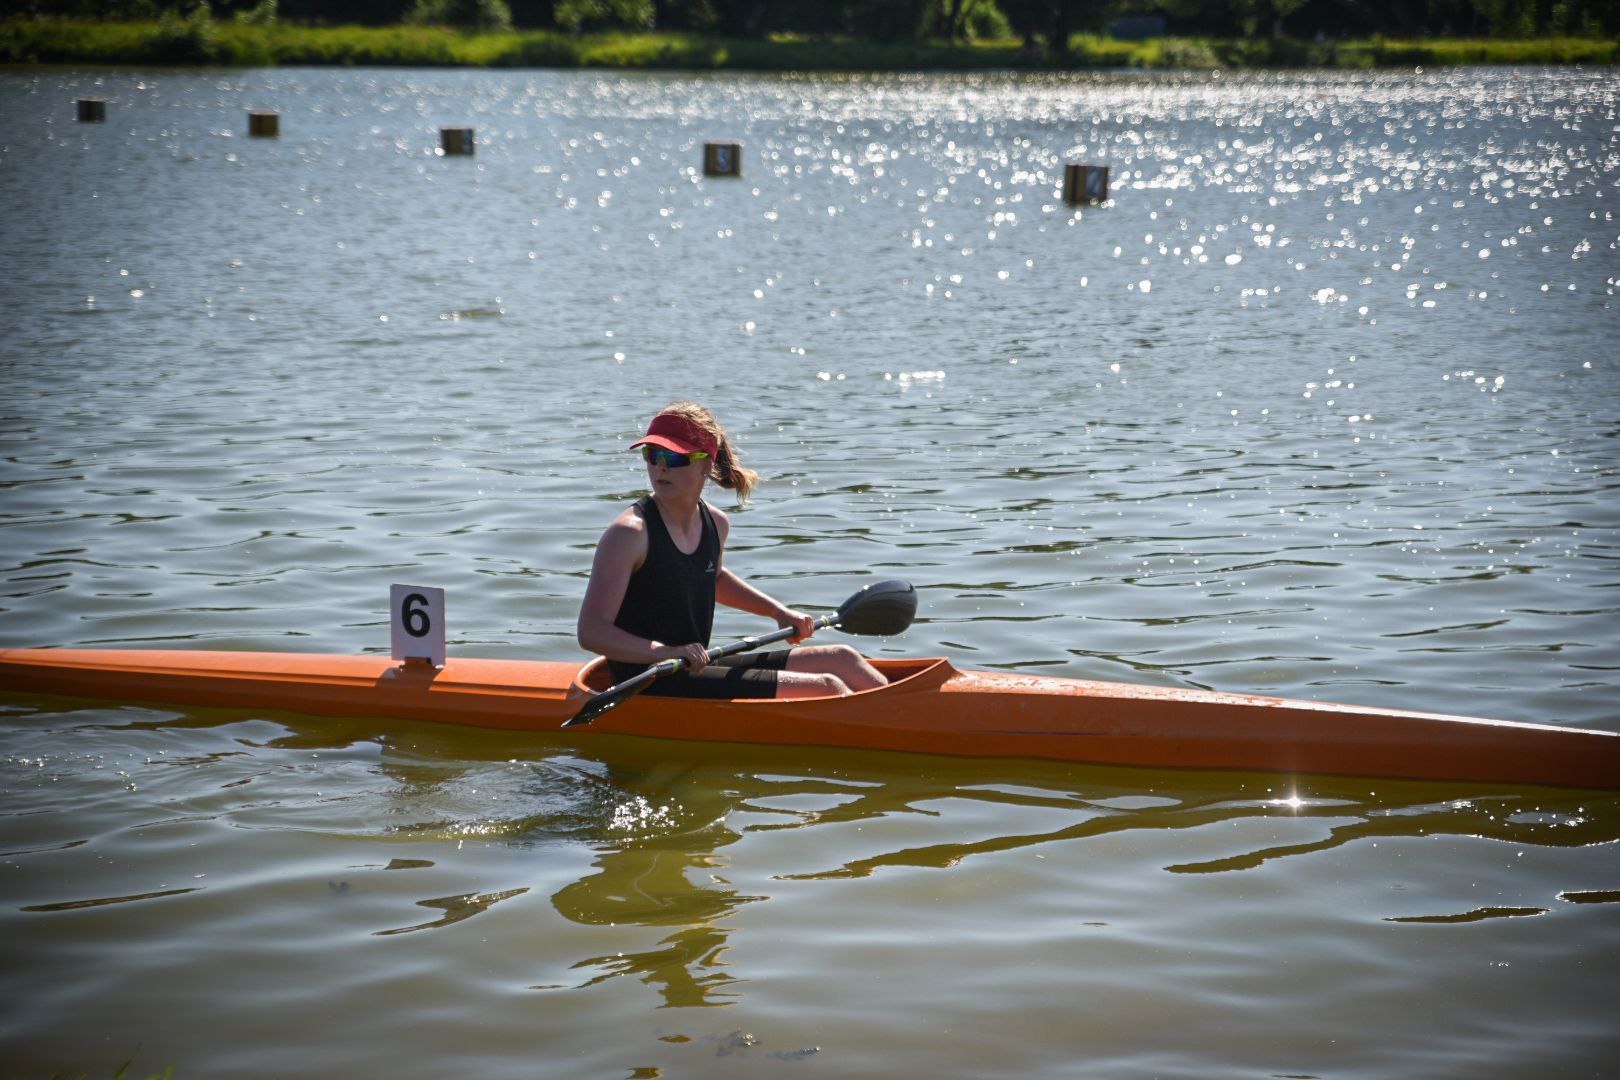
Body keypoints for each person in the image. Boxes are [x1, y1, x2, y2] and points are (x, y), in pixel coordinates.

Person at [577, 402, 888, 700]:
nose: (660, 466)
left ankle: (909, 714)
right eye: (652, 454)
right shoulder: (629, 534)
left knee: (842, 658)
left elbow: (713, 579)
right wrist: (666, 652)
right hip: (647, 680)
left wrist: (778, 612)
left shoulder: (715, 523)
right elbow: (591, 632)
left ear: (706, 464)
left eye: (674, 457)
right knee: (826, 687)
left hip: (693, 666)